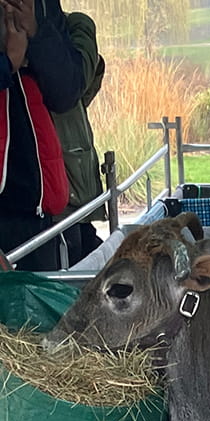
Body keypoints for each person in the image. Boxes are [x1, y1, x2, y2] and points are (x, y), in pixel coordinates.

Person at [0, 0, 82, 272]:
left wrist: (38, 33)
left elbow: (66, 93)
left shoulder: (45, 6)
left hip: (41, 212)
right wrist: (8, 62)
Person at [53, 10, 103, 265]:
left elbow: (80, 89)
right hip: (65, 193)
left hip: (69, 189)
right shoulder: (53, 35)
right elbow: (75, 87)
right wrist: (80, 24)